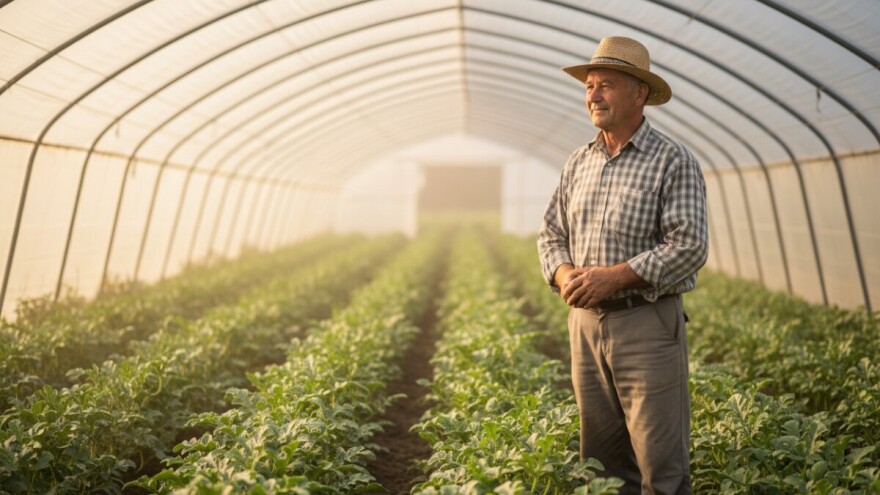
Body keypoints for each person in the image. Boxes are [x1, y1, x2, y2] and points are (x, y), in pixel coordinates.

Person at [537, 36, 708, 494]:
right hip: (585, 326)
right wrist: (565, 273)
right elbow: (551, 235)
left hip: (646, 323)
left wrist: (615, 276)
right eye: (590, 85)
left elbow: (689, 245)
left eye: (606, 85)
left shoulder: (672, 161)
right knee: (600, 465)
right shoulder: (579, 162)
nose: (593, 94)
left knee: (661, 466)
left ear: (640, 93)